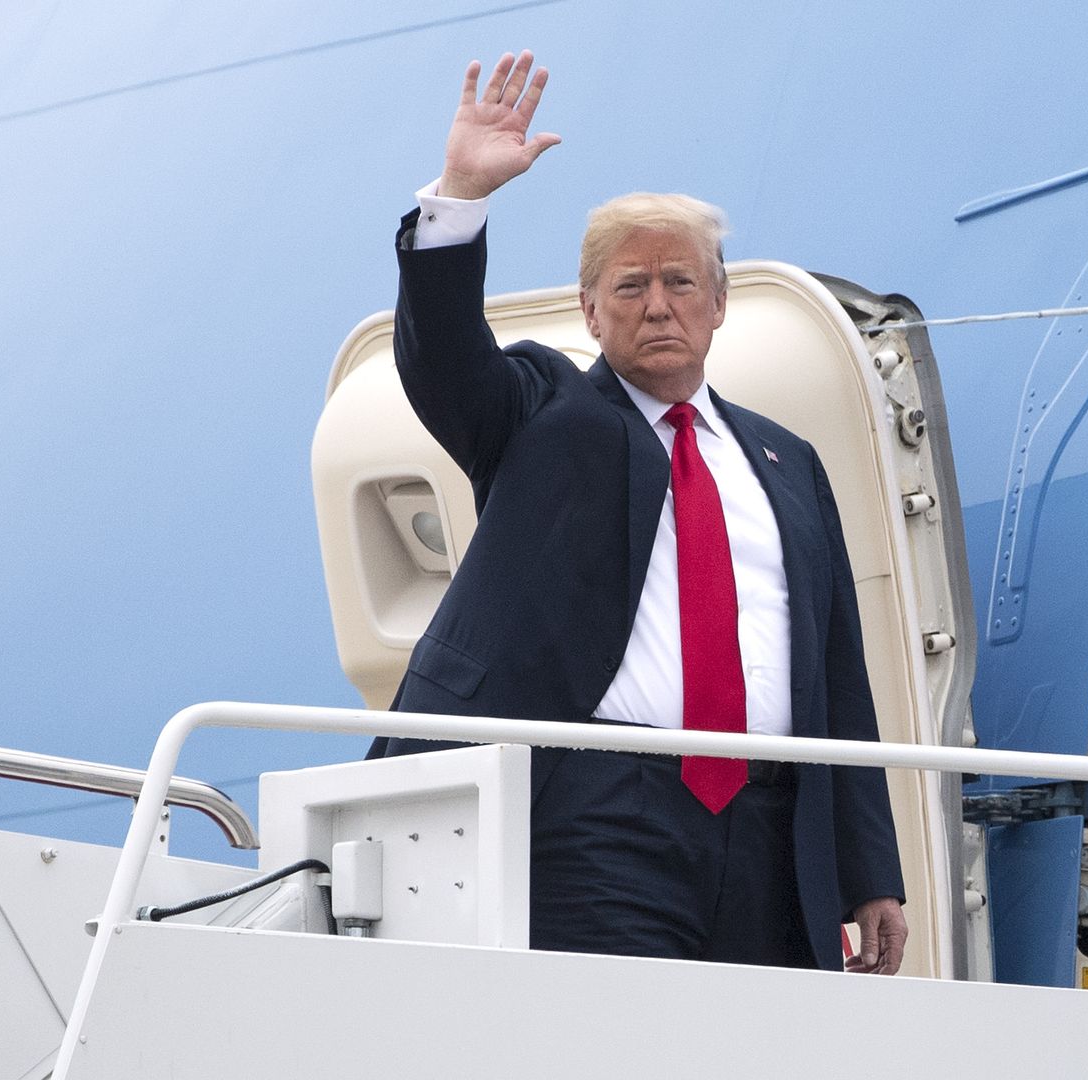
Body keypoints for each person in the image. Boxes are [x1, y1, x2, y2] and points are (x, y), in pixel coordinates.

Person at [365, 50, 908, 974]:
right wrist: (460, 193)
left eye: (681, 282)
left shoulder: (787, 462)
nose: (658, 305)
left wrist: (870, 869)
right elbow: (447, 359)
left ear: (720, 304)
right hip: (601, 809)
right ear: (589, 309)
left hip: (773, 826)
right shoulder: (541, 412)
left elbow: (838, 680)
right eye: (630, 286)